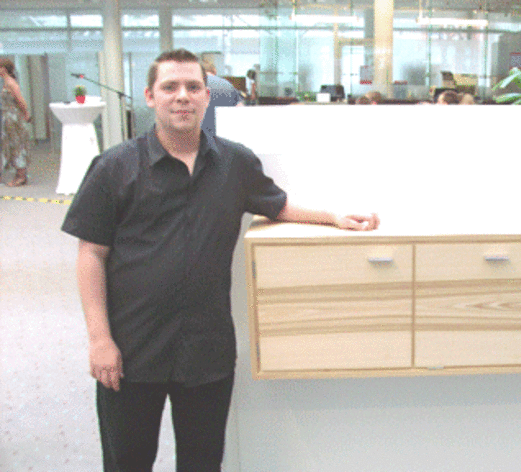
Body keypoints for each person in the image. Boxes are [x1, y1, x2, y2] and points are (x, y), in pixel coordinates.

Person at [61, 48, 379, 472]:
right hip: (132, 350)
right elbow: (91, 254)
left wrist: (335, 217)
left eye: (193, 87)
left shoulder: (234, 163)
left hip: (205, 351)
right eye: (170, 87)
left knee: (203, 463)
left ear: (207, 96)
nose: (183, 96)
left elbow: (278, 205)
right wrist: (100, 340)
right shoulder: (114, 167)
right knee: (127, 463)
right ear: (150, 96)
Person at [0, 58, 31, 186]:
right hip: (8, 117)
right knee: (11, 145)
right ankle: (19, 175)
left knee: (17, 145)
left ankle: (21, 176)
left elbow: (20, 100)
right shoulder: (6, 82)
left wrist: (26, 113)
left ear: (4, 69)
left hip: (13, 118)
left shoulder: (11, 83)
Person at [200, 60, 241, 136]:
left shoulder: (195, 86)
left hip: (200, 136)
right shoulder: (228, 85)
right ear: (214, 70)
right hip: (224, 136)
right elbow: (240, 110)